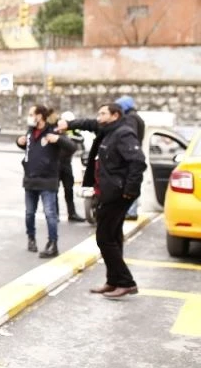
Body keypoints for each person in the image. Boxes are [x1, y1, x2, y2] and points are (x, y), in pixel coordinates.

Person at [59, 103, 146, 299]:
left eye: (103, 113)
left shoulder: (123, 134)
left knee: (104, 238)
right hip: (108, 192)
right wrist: (69, 124)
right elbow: (88, 123)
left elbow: (138, 162)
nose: (98, 117)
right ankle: (113, 281)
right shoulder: (108, 130)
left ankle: (126, 282)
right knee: (113, 237)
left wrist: (129, 190)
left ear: (115, 115)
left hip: (117, 194)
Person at [16, 105, 75, 258]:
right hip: (30, 179)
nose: (29, 117)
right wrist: (19, 142)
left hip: (48, 180)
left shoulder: (53, 131)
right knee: (29, 213)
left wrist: (58, 139)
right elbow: (31, 149)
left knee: (50, 214)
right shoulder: (30, 131)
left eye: (31, 114)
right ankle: (31, 238)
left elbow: (72, 147)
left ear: (40, 116)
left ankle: (53, 243)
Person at [115, 96, 145, 220]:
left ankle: (131, 211)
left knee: (130, 181)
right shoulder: (136, 117)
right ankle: (131, 210)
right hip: (134, 154)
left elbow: (129, 137)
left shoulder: (130, 118)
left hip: (129, 156)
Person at [57, 111, 85, 222]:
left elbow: (81, 139)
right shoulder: (56, 129)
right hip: (56, 163)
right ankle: (54, 214)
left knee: (69, 189)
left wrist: (69, 136)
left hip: (67, 163)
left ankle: (72, 213)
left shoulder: (73, 130)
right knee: (54, 190)